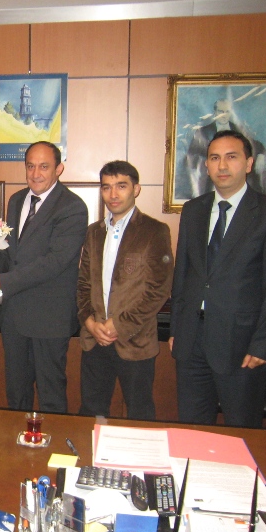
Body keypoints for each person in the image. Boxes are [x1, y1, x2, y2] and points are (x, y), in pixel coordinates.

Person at [170, 130, 266, 428]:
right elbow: (183, 274)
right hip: (191, 340)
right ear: (206, 165)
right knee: (192, 429)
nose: (223, 165)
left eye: (231, 157)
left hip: (241, 344)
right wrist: (176, 327)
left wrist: (262, 345)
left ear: (249, 164)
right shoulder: (193, 210)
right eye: (214, 158)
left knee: (242, 431)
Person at [0, 141, 87, 413]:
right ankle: (18, 439)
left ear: (59, 169)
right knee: (16, 391)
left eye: (44, 166)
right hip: (15, 316)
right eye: (30, 166)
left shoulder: (72, 207)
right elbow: (12, 252)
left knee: (50, 393)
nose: (36, 174)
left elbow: (54, 262)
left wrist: (2, 281)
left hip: (49, 318)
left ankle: (52, 439)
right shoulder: (16, 200)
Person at [76, 160, 173, 420]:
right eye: (106, 187)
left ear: (136, 189)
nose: (113, 194)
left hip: (135, 340)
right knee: (91, 413)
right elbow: (83, 284)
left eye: (121, 186)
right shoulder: (94, 232)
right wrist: (89, 322)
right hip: (95, 339)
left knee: (140, 415)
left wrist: (119, 325)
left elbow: (159, 289)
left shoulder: (154, 231)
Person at [183, 99, 266, 198]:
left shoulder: (239, 129)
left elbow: (255, 144)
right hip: (208, 185)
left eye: (231, 157)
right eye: (221, 111)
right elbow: (191, 156)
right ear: (215, 112)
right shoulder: (203, 132)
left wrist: (261, 155)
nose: (222, 166)